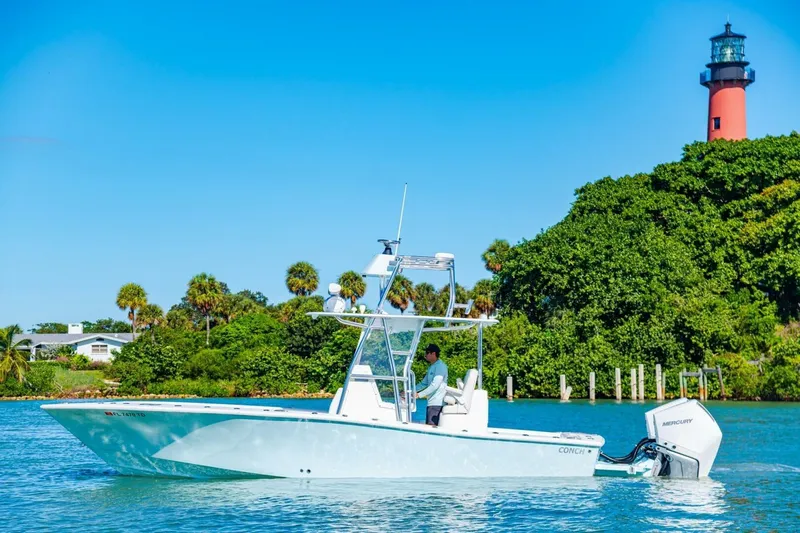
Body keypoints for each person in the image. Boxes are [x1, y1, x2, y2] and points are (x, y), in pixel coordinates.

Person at [415, 343, 448, 426]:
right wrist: (410, 391)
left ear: (433, 353)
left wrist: (419, 395)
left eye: (427, 353)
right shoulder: (432, 366)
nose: (425, 355)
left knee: (430, 427)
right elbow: (423, 383)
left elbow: (435, 385)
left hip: (437, 404)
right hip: (431, 403)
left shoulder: (440, 366)